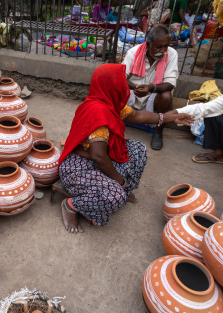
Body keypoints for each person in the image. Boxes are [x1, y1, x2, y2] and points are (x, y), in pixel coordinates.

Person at [58, 64, 193, 234]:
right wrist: (120, 182)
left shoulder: (109, 102)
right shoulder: (98, 111)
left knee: (138, 149)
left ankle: (125, 189)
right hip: (78, 167)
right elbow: (98, 156)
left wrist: (166, 117)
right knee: (114, 195)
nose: (126, 85)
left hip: (97, 157)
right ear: (112, 84)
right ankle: (71, 206)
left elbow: (135, 115)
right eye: (122, 81)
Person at [122, 25, 178, 150]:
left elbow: (170, 83)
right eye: (158, 47)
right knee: (114, 87)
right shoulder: (133, 52)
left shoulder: (172, 54)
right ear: (148, 45)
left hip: (153, 96)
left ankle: (158, 132)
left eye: (166, 46)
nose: (163, 50)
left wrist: (151, 88)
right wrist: (135, 86)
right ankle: (115, 120)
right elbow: (121, 77)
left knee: (167, 95)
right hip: (132, 94)